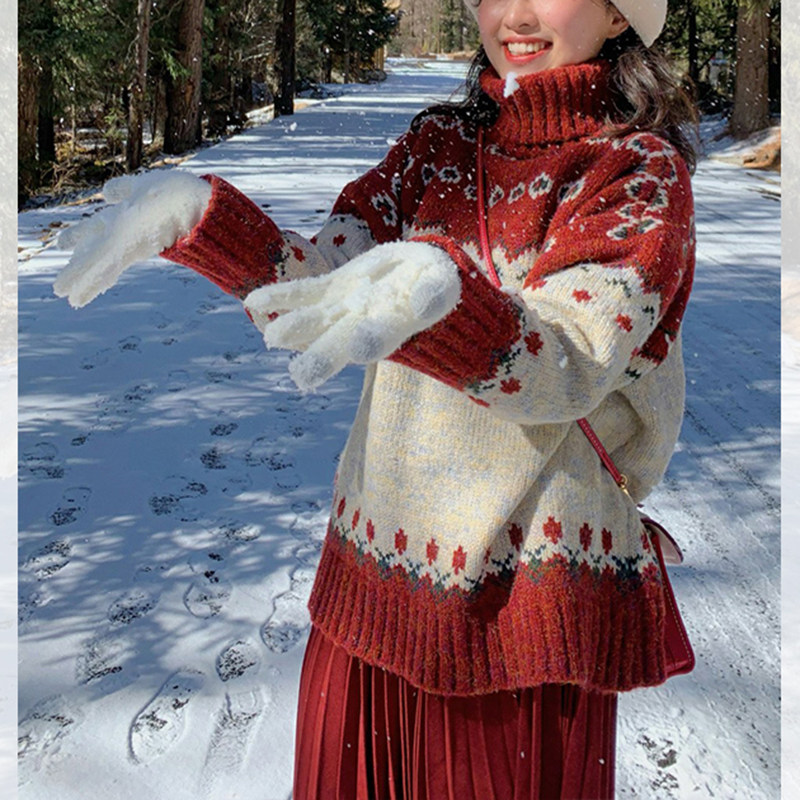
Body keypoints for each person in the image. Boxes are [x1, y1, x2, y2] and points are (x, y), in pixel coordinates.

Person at [54, 0, 698, 796]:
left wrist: (443, 299)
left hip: (518, 620)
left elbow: (566, 363)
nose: (516, 14)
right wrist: (204, 222)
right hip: (372, 579)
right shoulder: (437, 149)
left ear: (618, 15)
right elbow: (321, 288)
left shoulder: (636, 174)